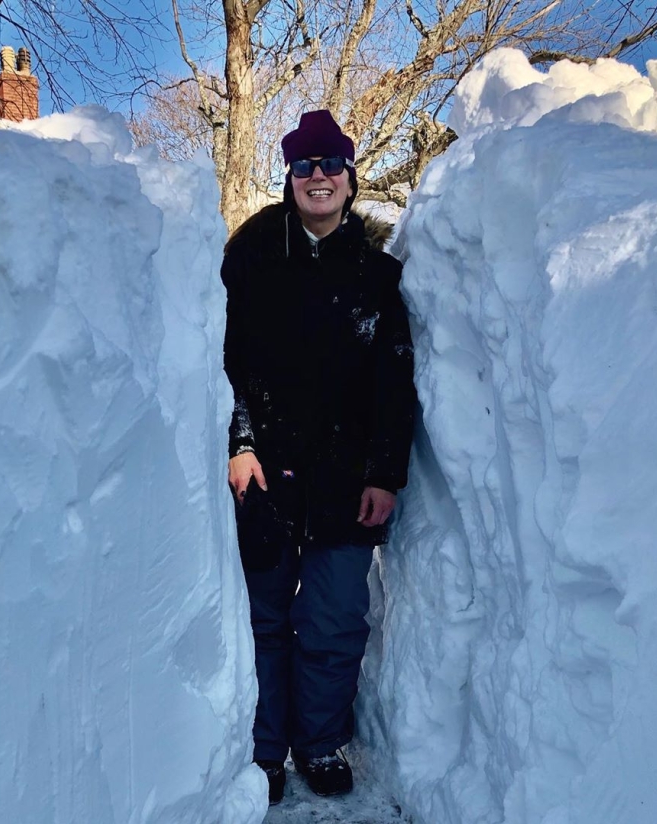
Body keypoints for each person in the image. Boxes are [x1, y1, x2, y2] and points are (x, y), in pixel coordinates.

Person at [221, 109, 415, 805]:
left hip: (343, 480)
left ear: (350, 176)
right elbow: (223, 362)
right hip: (264, 474)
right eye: (304, 166)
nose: (318, 177)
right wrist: (240, 445)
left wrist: (385, 474)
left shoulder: (376, 272)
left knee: (333, 619)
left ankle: (319, 740)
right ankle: (266, 748)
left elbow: (395, 381)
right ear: (289, 178)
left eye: (330, 164)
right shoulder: (249, 255)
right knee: (265, 618)